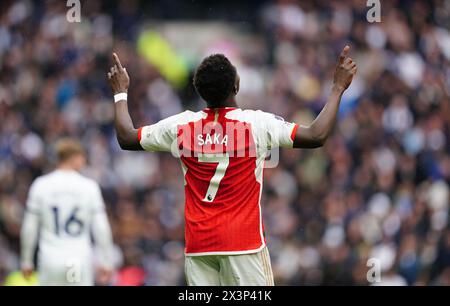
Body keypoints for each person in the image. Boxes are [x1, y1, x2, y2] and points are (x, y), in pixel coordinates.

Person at [107, 45, 357, 285]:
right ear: (236, 86)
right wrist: (337, 87)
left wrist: (120, 92)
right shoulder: (256, 124)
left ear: (199, 90)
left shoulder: (181, 127)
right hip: (244, 245)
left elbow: (127, 137)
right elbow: (316, 136)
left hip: (200, 246)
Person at [20, 139, 114, 286]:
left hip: (50, 258)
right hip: (76, 260)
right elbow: (101, 227)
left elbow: (29, 228)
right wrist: (106, 260)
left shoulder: (41, 185)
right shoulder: (89, 187)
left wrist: (26, 260)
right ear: (76, 157)